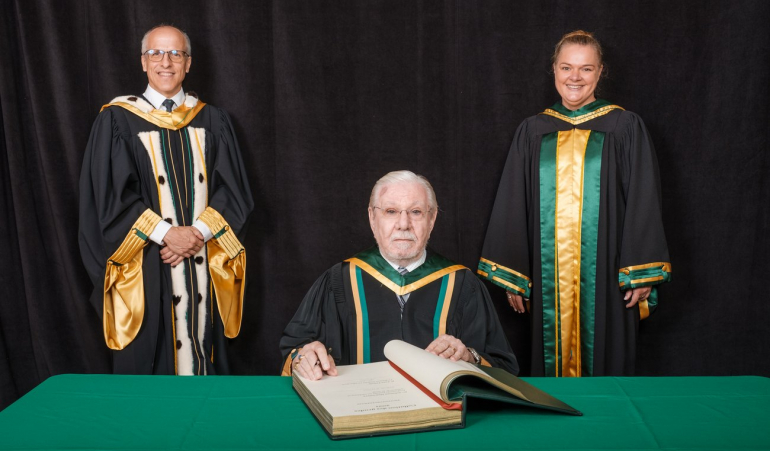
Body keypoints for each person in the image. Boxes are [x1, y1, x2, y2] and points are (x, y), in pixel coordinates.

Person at [478, 30, 671, 377]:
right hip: (546, 273)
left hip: (608, 274)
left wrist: (641, 271)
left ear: (600, 72)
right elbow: (513, 200)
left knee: (608, 362)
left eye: (586, 69)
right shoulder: (533, 130)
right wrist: (515, 274)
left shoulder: (624, 126)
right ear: (554, 70)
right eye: (567, 68)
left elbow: (643, 198)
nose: (575, 78)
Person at [79, 25, 253, 375]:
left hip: (202, 263)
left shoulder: (213, 120)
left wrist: (196, 235)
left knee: (205, 362)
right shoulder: (116, 120)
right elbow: (107, 199)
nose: (166, 62)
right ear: (144, 62)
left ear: (188, 63)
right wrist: (166, 234)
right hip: (148, 269)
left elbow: (234, 191)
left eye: (176, 53)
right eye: (156, 53)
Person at [280, 170, 518, 379]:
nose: (403, 224)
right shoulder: (338, 281)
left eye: (415, 211)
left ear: (432, 218)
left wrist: (470, 356)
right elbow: (296, 348)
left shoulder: (463, 284)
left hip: (439, 420)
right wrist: (304, 356)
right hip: (358, 419)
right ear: (373, 218)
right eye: (391, 211)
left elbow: (503, 367)